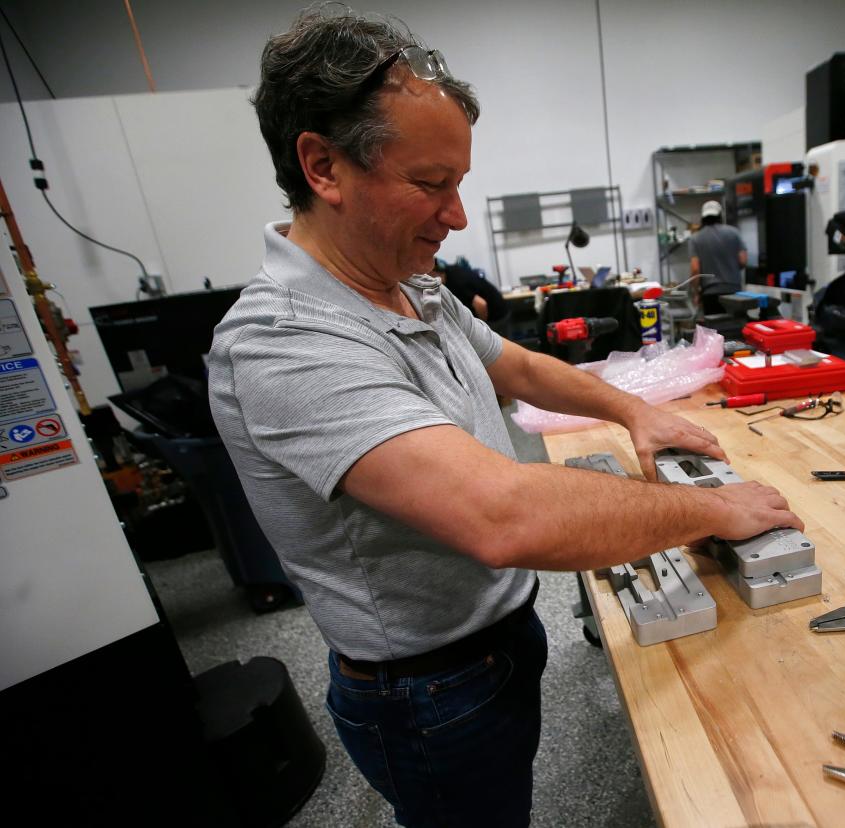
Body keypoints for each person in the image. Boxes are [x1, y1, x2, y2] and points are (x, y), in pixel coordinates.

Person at [207, 8, 802, 828]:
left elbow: (514, 365)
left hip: (491, 641)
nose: (454, 216)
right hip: (425, 690)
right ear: (323, 166)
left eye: (458, 183)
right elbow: (504, 515)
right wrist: (714, 509)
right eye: (430, 183)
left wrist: (634, 411)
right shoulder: (286, 345)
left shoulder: (405, 282)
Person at [688, 199, 748, 313]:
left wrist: (696, 293)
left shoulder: (695, 238)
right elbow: (743, 261)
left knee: (714, 329)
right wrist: (730, 269)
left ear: (703, 217)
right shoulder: (734, 232)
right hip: (734, 292)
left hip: (710, 294)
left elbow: (695, 270)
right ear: (720, 215)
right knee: (735, 327)